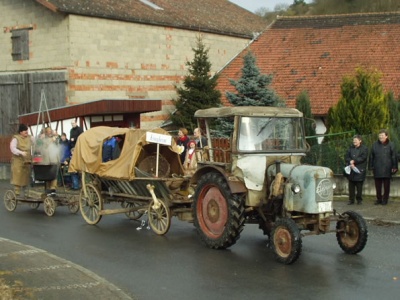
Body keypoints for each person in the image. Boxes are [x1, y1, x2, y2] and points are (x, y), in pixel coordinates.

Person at [369, 129, 398, 205]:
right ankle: (379, 199)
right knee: (377, 185)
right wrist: (371, 166)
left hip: (387, 168)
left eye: (382, 135)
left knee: (386, 186)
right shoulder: (374, 145)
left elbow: (394, 156)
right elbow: (371, 156)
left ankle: (385, 199)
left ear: (386, 136)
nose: (380, 137)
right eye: (379, 135)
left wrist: (394, 166)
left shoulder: (391, 144)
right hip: (377, 167)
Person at [10, 124, 33, 197]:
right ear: (20, 132)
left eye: (27, 130)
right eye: (25, 130)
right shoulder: (15, 138)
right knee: (18, 175)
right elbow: (13, 149)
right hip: (18, 160)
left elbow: (37, 142)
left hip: (27, 160)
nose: (26, 131)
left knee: (26, 176)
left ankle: (26, 192)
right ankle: (17, 193)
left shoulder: (30, 137)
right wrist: (21, 152)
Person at [344, 135, 368, 205]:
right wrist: (350, 162)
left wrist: (354, 161)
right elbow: (346, 157)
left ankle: (359, 199)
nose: (354, 141)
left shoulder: (364, 148)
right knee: (351, 186)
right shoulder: (350, 148)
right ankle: (351, 199)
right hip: (351, 169)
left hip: (359, 169)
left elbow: (363, 158)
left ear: (360, 141)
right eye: (353, 140)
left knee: (359, 186)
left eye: (356, 140)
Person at [41, 127, 60, 196]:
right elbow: (43, 147)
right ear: (46, 132)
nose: (50, 132)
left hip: (54, 159)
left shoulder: (54, 138)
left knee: (54, 175)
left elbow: (58, 145)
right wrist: (51, 140)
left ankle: (53, 189)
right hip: (47, 160)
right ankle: (49, 189)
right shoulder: (44, 139)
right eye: (48, 131)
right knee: (48, 175)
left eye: (50, 131)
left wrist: (57, 138)